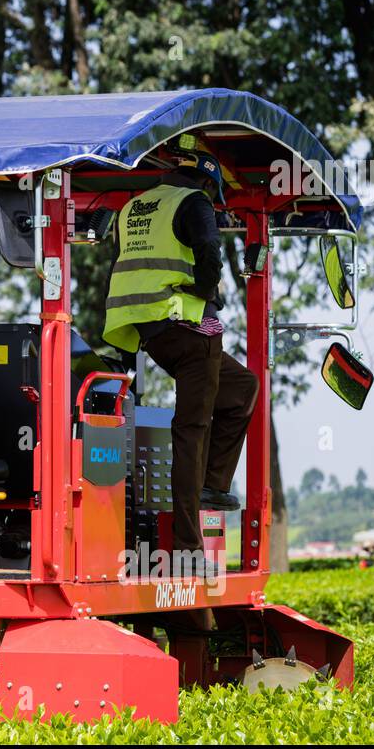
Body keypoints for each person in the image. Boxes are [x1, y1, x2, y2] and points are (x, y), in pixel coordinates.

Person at [102, 148, 258, 577]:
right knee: (192, 430)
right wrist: (209, 291)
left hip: (151, 333)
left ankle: (212, 486)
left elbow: (129, 266)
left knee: (241, 387)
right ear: (208, 183)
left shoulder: (135, 206)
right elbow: (210, 255)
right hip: (191, 326)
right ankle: (188, 551)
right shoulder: (196, 202)